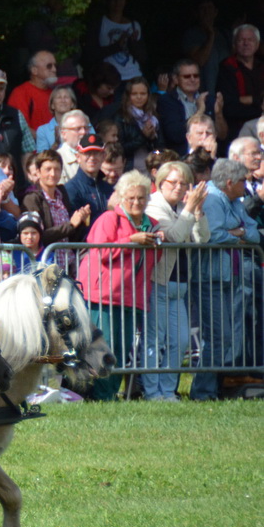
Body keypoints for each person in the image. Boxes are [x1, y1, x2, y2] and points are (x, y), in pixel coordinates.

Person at [78, 171, 161, 398]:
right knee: (104, 350)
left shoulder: (152, 225)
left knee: (122, 351)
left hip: (133, 297)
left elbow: (155, 260)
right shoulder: (109, 219)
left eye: (141, 198)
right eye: (131, 198)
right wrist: (131, 241)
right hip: (103, 297)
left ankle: (108, 395)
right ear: (122, 198)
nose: (136, 202)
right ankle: (98, 396)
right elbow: (100, 252)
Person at [139, 161, 208, 400]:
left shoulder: (182, 207)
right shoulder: (153, 205)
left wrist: (197, 211)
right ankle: (151, 392)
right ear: (161, 183)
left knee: (179, 342)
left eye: (183, 183)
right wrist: (189, 207)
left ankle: (167, 391)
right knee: (154, 340)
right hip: (157, 281)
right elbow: (177, 236)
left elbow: (202, 239)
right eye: (173, 182)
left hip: (179, 284)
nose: (179, 187)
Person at [192, 159, 261, 399]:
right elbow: (212, 237)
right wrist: (238, 234)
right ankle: (203, 392)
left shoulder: (234, 200)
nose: (247, 184)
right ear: (230, 182)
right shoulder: (212, 199)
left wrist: (238, 233)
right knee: (218, 338)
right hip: (209, 278)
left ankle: (210, 389)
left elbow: (252, 231)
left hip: (228, 277)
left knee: (227, 337)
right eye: (244, 180)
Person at [20, 150, 92, 247]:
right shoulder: (31, 199)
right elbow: (36, 236)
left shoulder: (62, 194)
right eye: (48, 169)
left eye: (57, 169)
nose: (53, 174)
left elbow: (69, 237)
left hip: (68, 258)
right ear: (38, 172)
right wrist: (71, 225)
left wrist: (80, 220)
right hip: (47, 259)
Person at [215, 24, 261, 138]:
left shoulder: (262, 66)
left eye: (250, 40)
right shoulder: (227, 67)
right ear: (234, 45)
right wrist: (259, 103)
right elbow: (229, 107)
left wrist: (251, 100)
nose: (246, 43)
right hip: (238, 131)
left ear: (257, 44)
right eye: (241, 40)